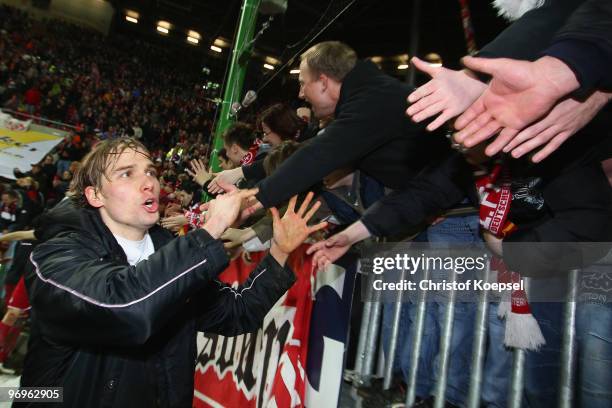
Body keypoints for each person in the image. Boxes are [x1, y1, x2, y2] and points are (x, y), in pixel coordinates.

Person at [19, 138, 326, 407]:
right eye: (127, 173)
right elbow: (126, 309)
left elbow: (237, 312)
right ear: (95, 195)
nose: (149, 182)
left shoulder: (171, 254)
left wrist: (280, 252)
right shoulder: (54, 255)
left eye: (150, 171)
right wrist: (210, 231)